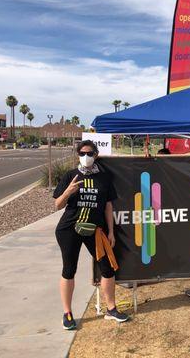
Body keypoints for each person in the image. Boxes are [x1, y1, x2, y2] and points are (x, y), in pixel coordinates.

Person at [53, 140, 128, 329]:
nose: (86, 156)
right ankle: (67, 313)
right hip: (69, 229)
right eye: (82, 153)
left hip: (95, 230)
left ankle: (111, 309)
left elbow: (108, 205)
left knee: (107, 268)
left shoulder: (104, 176)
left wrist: (111, 231)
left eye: (89, 153)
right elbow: (57, 205)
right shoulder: (71, 175)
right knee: (69, 269)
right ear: (78, 154)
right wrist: (68, 192)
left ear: (95, 154)